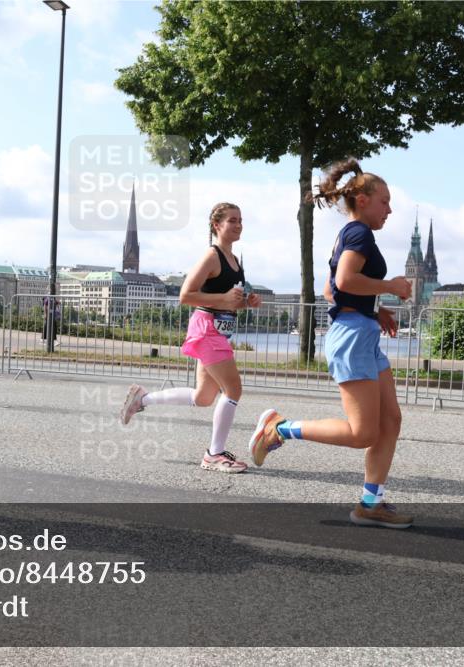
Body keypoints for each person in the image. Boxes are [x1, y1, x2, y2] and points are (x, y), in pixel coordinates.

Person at [248, 158, 414, 528]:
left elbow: (330, 290)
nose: (390, 209)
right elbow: (344, 280)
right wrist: (390, 286)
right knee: (362, 433)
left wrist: (375, 309)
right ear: (364, 199)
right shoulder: (359, 234)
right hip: (352, 338)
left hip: (362, 332)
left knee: (390, 420)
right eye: (385, 201)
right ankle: (280, 428)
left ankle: (371, 503)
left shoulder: (351, 235)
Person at [119, 202, 261, 473]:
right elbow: (186, 295)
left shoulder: (235, 260)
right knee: (233, 390)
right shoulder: (212, 256)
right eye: (232, 220)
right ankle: (214, 455)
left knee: (204, 397)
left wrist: (246, 303)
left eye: (241, 220)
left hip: (218, 329)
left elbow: (228, 301)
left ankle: (142, 399)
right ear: (217, 225)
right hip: (207, 329)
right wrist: (223, 298)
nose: (238, 224)